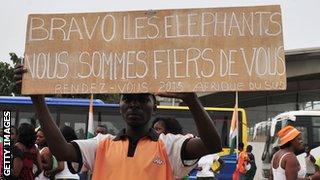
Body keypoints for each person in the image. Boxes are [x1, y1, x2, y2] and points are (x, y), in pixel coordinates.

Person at [15, 66, 222, 179]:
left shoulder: (169, 146)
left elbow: (212, 146)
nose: (134, 105)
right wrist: (38, 100)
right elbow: (61, 151)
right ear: (120, 105)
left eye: (142, 99)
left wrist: (192, 100)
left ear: (154, 106)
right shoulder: (101, 144)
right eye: (128, 99)